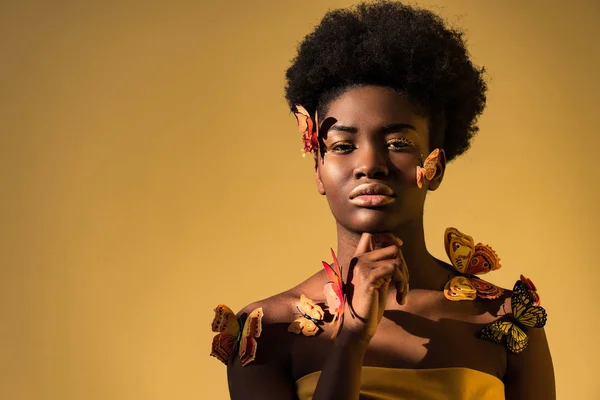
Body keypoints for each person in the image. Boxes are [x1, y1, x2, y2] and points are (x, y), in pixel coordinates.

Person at [216, 1, 555, 398]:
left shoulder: (509, 320)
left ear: (436, 167)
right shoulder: (264, 331)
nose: (370, 165)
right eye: (343, 145)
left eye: (397, 143)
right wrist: (351, 340)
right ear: (318, 173)